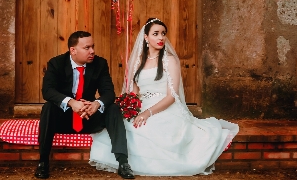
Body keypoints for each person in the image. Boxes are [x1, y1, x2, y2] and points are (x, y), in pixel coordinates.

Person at [89, 18, 239, 176]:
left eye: (163, 34)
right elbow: (132, 92)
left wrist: (148, 113)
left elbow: (171, 96)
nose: (161, 38)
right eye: (156, 34)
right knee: (124, 126)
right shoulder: (137, 62)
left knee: (152, 127)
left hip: (164, 105)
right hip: (142, 104)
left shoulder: (170, 60)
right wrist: (129, 107)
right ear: (146, 37)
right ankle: (125, 162)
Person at [35, 31, 135, 179]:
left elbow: (109, 93)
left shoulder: (100, 64)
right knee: (48, 107)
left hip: (89, 117)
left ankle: (123, 163)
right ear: (73, 50)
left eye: (92, 46)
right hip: (64, 119)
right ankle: (43, 162)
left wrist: (96, 104)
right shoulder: (56, 63)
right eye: (87, 48)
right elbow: (47, 91)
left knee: (113, 108)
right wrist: (71, 102)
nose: (92, 51)